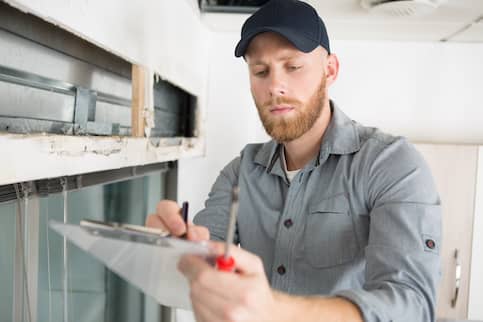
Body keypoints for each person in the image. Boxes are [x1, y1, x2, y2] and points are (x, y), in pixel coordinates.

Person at [146, 0, 442, 321]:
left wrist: (275, 310)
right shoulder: (241, 172)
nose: (275, 86)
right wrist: (175, 246)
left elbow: (412, 305)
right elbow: (203, 259)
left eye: (293, 66)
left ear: (330, 70)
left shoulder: (390, 163)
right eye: (260, 71)